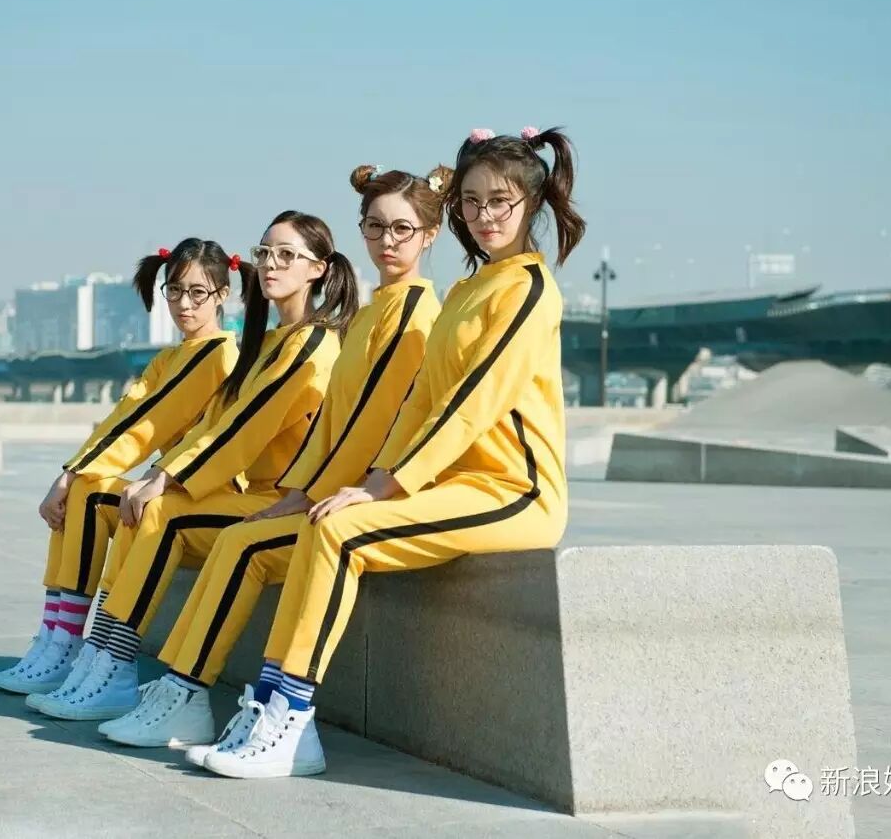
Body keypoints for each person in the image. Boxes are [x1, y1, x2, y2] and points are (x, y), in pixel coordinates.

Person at [205, 126, 585, 779]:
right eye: (471, 201)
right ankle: (271, 706)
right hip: (453, 486)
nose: (485, 216)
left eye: (500, 201)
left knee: (341, 532)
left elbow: (473, 401)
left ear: (532, 202)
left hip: (514, 491)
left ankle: (290, 720)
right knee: (326, 520)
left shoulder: (528, 288)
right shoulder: (467, 290)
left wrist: (386, 486)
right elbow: (421, 402)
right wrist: (381, 478)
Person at [111, 164, 448, 757]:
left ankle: (196, 692)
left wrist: (319, 493)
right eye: (374, 227)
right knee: (226, 535)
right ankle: (166, 683)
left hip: (365, 493)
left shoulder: (410, 311)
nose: (386, 241)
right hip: (322, 489)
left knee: (241, 543)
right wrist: (300, 491)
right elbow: (336, 422)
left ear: (430, 235)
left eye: (401, 228)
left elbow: (372, 424)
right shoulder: (375, 310)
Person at [33, 210, 357, 727]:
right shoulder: (269, 342)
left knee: (162, 511)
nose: (271, 264)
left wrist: (165, 477)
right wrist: (151, 475)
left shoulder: (314, 344)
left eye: (286, 255)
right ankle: (97, 657)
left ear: (318, 269)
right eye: (265, 253)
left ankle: (118, 666)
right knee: (137, 501)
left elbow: (246, 426)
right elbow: (217, 423)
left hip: (284, 501)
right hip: (256, 495)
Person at [0, 238, 239, 695]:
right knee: (86, 486)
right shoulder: (171, 356)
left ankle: (67, 645)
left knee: (90, 490)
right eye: (175, 290)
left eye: (198, 292)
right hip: (176, 487)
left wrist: (70, 475)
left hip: (210, 493)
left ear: (222, 294)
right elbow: (124, 416)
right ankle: (55, 637)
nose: (184, 304)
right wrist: (72, 471)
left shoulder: (217, 354)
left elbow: (147, 424)